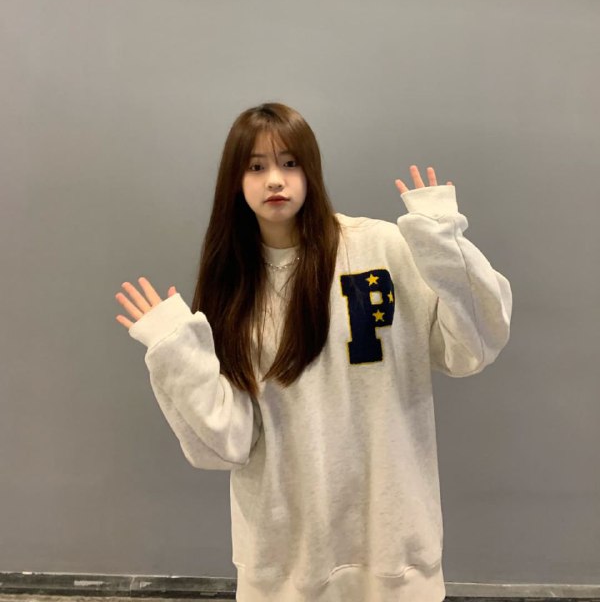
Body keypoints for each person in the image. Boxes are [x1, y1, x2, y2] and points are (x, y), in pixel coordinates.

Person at [115, 101, 512, 602]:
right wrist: (176, 353)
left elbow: (472, 347)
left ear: (311, 170)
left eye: (290, 162)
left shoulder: (382, 248)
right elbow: (229, 442)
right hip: (287, 558)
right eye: (255, 166)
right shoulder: (232, 287)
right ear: (234, 181)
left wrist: (444, 246)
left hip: (393, 546)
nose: (274, 180)